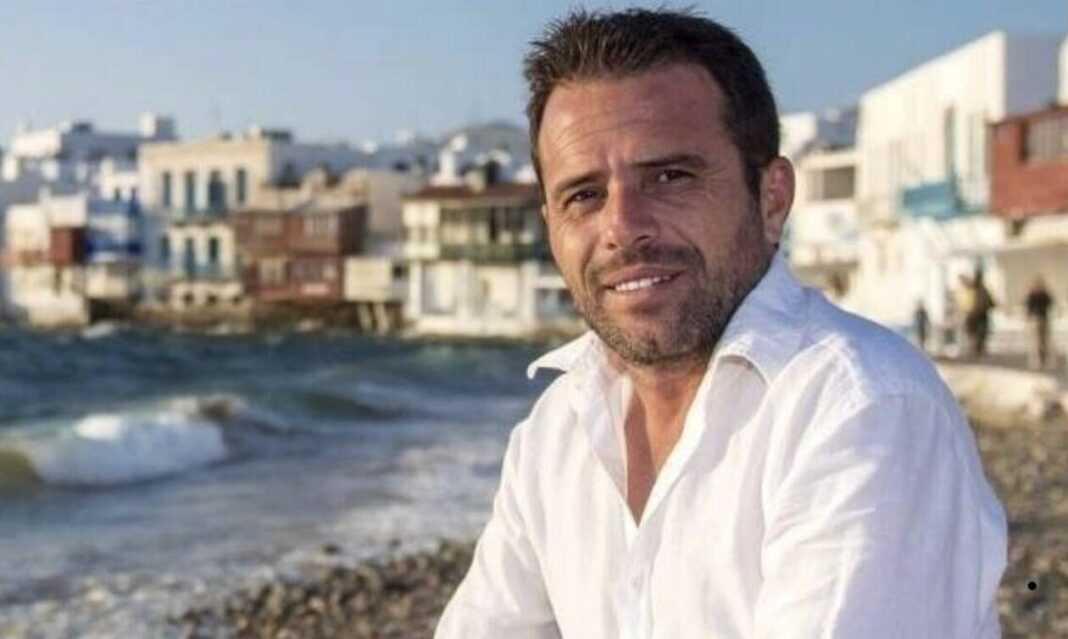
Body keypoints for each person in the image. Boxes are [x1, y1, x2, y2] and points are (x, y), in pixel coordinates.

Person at [435, 8, 1006, 638]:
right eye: (584, 195)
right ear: (551, 225)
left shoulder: (858, 409)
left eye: (670, 177)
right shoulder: (557, 431)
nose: (622, 227)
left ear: (772, 198)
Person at [1025, 276, 1055, 369]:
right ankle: (1038, 359)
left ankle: (1042, 359)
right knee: (1037, 340)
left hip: (1042, 318)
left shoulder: (1041, 294)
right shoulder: (1034, 294)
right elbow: (1028, 306)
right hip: (1037, 318)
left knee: (1042, 340)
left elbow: (1051, 303)